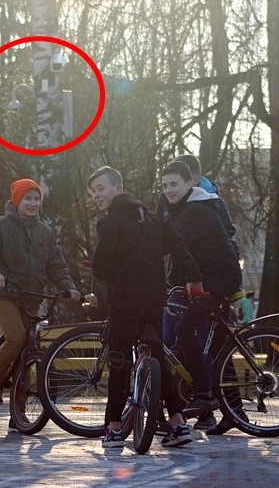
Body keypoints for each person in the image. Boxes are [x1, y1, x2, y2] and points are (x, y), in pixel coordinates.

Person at [87, 166, 202, 449]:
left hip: (124, 303)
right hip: (153, 301)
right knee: (158, 359)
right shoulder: (153, 220)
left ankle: (114, 429)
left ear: (118, 189)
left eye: (100, 189)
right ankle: (178, 424)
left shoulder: (111, 222)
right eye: (93, 192)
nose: (96, 196)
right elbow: (180, 247)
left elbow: (101, 267)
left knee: (119, 362)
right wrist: (193, 277)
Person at [0, 178, 81, 416]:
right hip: (4, 295)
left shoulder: (45, 231)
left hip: (31, 299)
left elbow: (56, 265)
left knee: (28, 351)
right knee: (16, 338)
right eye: (28, 199)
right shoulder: (0, 225)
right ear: (16, 201)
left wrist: (69, 287)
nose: (33, 203)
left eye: (36, 199)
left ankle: (19, 412)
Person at [161, 160, 243, 436]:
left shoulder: (198, 210)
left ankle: (205, 394)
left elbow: (172, 241)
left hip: (217, 280)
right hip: (205, 279)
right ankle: (235, 412)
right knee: (218, 348)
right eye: (165, 185)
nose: (168, 190)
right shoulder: (183, 207)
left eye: (174, 184)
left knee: (184, 330)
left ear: (190, 183)